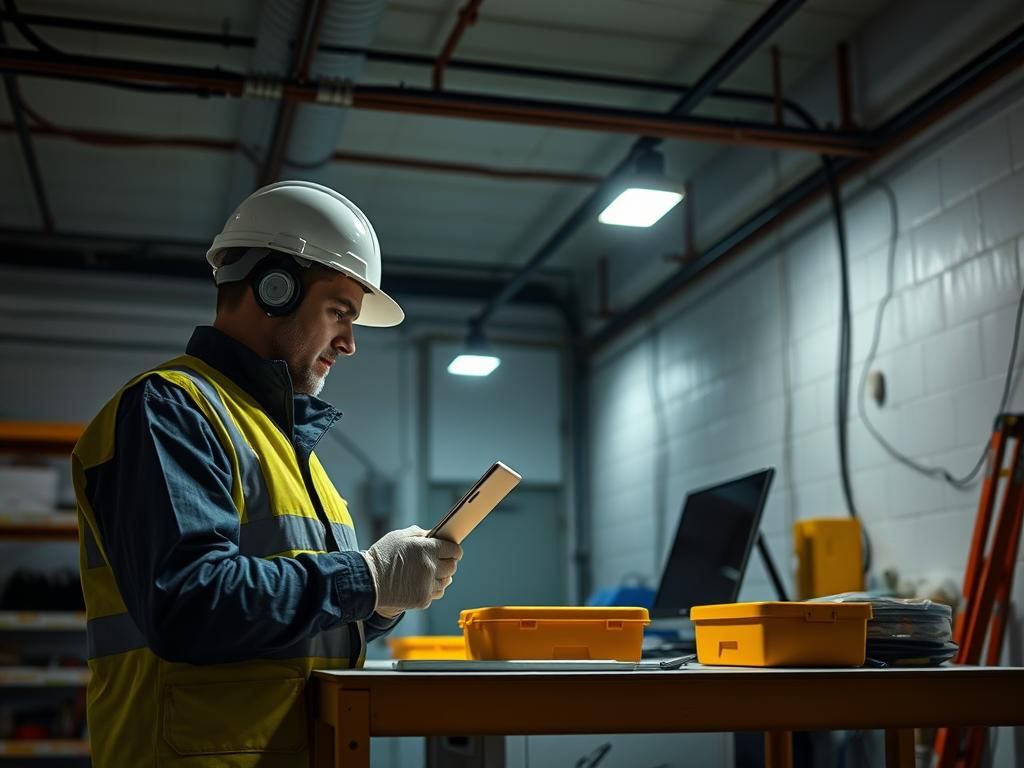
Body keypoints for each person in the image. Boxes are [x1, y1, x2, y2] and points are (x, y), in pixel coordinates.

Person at [71, 180, 462, 767]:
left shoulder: (287, 443)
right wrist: (364, 579)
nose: (350, 343)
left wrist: (380, 602)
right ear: (273, 290)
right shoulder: (170, 410)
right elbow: (190, 606)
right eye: (340, 311)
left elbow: (292, 631)